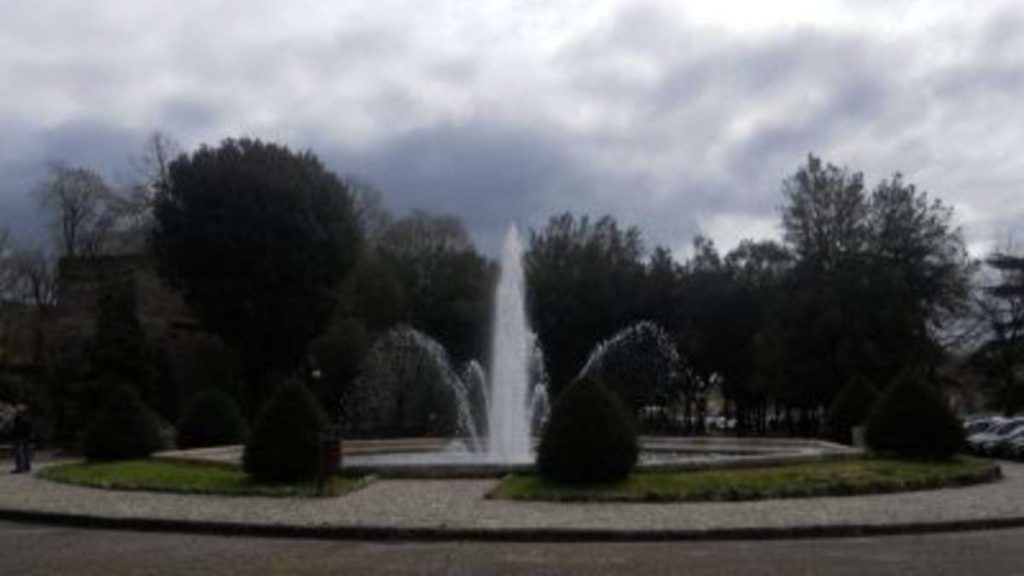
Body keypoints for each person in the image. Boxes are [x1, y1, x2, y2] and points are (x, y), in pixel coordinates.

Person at [10, 404, 34, 473]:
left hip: (19, 436)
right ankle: (27, 466)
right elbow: (31, 427)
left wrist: (13, 434)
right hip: (26, 436)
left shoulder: (18, 417)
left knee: (19, 452)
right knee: (25, 452)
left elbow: (16, 427)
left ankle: (20, 468)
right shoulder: (28, 416)